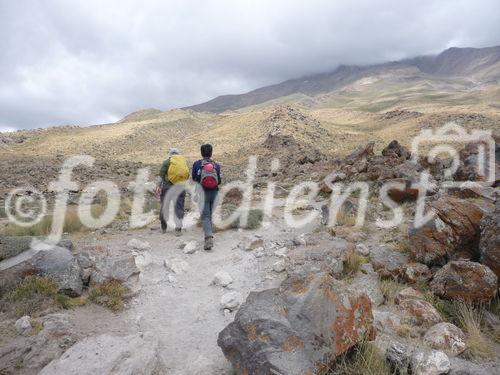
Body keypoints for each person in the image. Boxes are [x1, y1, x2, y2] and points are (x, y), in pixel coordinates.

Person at [192, 144, 221, 250]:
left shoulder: (197, 164)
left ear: (201, 153)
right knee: (209, 214)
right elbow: (219, 181)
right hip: (214, 193)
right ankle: (209, 229)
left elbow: (194, 179)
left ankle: (208, 238)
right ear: (211, 153)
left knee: (205, 216)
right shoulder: (216, 165)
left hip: (202, 193)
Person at [156, 147, 189, 235]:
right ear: (178, 154)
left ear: (170, 154)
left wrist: (158, 186)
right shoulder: (183, 162)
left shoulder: (166, 162)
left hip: (167, 188)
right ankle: (178, 228)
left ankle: (163, 227)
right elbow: (186, 175)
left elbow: (161, 176)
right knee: (179, 207)